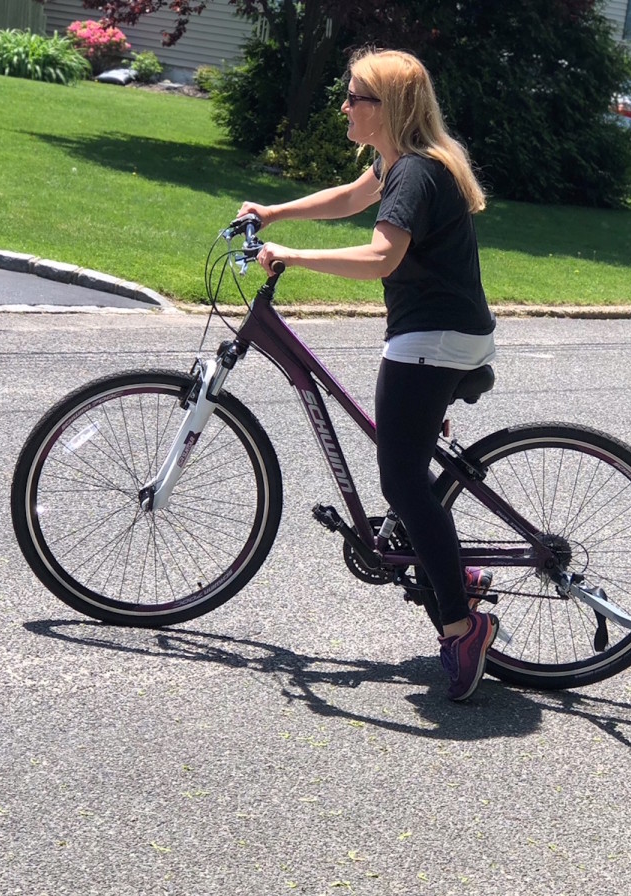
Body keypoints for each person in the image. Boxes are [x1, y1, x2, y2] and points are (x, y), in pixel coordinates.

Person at [237, 48, 498, 701]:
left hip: (434, 336)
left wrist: (289, 255)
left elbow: (383, 257)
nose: (346, 106)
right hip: (448, 332)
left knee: (400, 476)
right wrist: (274, 212)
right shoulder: (402, 165)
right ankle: (452, 572)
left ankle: (461, 625)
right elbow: (352, 196)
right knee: (405, 463)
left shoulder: (416, 173)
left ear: (391, 108)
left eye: (357, 97)